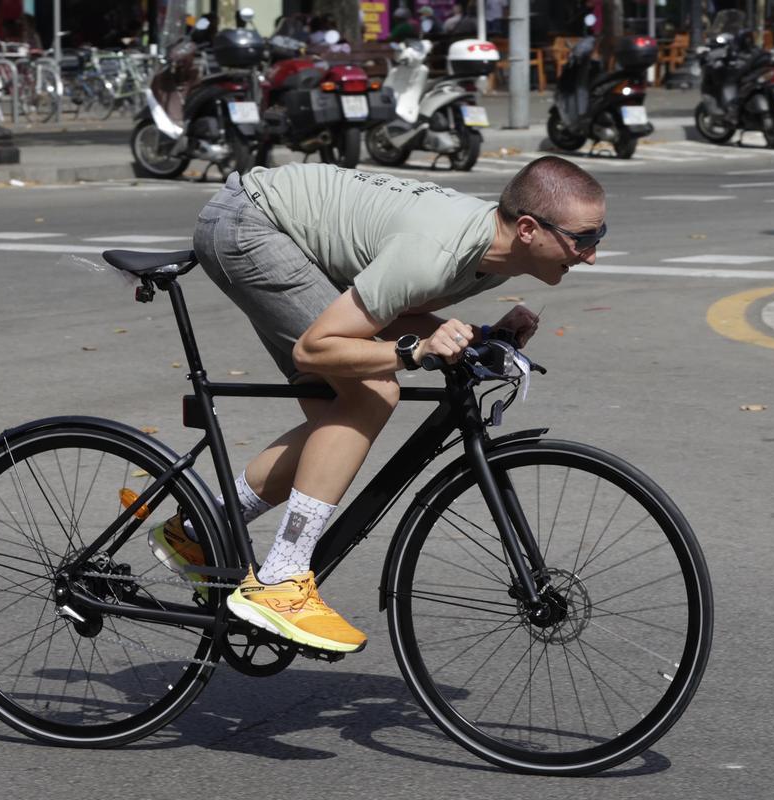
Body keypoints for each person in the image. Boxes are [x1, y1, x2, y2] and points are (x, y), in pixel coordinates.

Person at [162, 158, 605, 653]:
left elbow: (399, 304)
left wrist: (479, 335)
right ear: (528, 229)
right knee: (372, 392)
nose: (591, 255)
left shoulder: (494, 257)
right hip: (251, 223)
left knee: (340, 420)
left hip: (290, 232)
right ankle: (281, 579)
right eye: (584, 238)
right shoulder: (435, 252)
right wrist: (413, 351)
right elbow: (316, 347)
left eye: (598, 235)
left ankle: (203, 525)